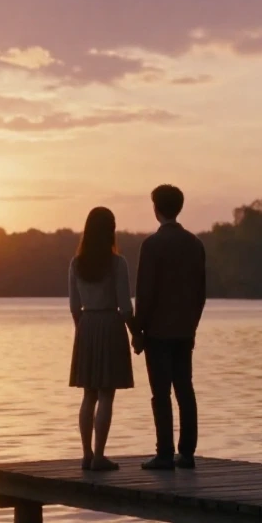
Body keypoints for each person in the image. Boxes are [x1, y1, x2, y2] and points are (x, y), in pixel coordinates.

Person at [132, 185, 206, 471]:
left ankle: (164, 454)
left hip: (158, 332)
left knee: (161, 393)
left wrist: (138, 331)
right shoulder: (195, 244)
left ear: (156, 209)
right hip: (184, 330)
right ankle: (186, 453)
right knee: (184, 388)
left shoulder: (152, 245)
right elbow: (200, 292)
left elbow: (145, 292)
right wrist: (193, 325)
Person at [68, 206, 136, 471]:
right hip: (109, 324)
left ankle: (86, 455)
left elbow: (74, 306)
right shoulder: (118, 263)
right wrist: (136, 333)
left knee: (89, 395)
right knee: (106, 395)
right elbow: (126, 308)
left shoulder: (76, 263)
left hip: (86, 325)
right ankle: (99, 456)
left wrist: (82, 330)